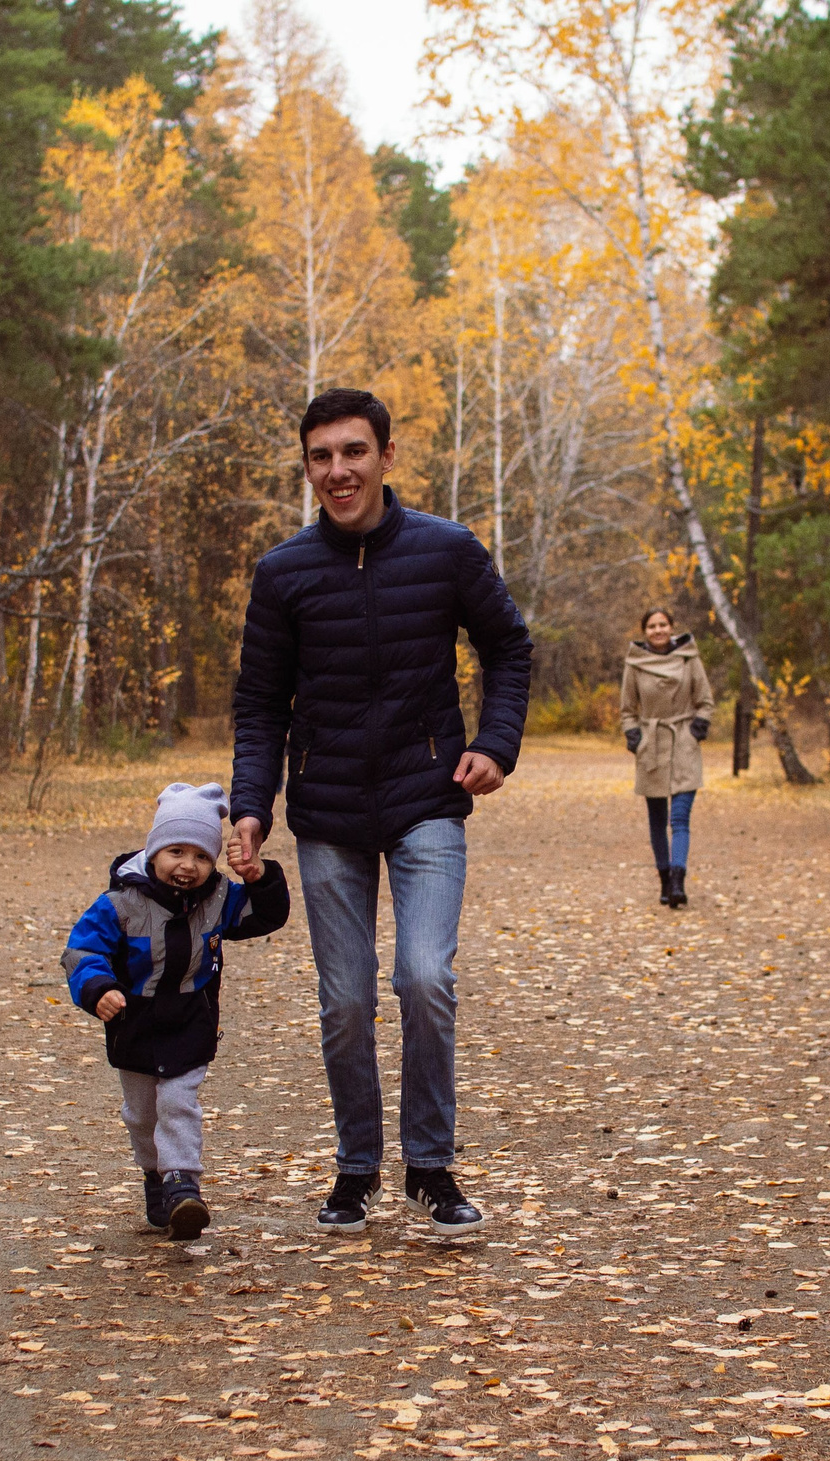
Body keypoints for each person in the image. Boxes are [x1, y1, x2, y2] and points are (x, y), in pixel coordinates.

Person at [227, 387, 533, 1239]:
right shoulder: (284, 572)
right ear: (307, 467)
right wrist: (253, 807)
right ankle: (357, 1167)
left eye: (353, 452)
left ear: (386, 456)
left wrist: (496, 745)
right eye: (321, 456)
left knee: (425, 977)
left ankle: (430, 1164)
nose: (338, 471)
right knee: (346, 998)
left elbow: (508, 646)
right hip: (326, 812)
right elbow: (259, 704)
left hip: (427, 797)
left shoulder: (446, 551)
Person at [62, 782, 290, 1240]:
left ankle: (183, 1185)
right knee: (142, 1114)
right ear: (153, 852)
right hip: (134, 1023)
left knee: (178, 1102)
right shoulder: (120, 904)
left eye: (202, 857)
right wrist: (99, 989)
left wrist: (259, 876)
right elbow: (81, 952)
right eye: (176, 852)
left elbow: (267, 916)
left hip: (190, 1020)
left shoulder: (218, 900)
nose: (188, 866)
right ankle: (155, 1179)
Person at [620, 606, 713, 908]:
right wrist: (635, 736)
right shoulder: (634, 663)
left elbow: (705, 700)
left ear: (672, 628)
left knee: (680, 818)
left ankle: (677, 880)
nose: (658, 630)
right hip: (652, 745)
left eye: (663, 625)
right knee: (657, 820)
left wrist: (698, 728)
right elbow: (627, 709)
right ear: (644, 631)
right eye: (651, 626)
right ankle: (663, 878)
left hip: (684, 742)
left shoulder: (689, 658)